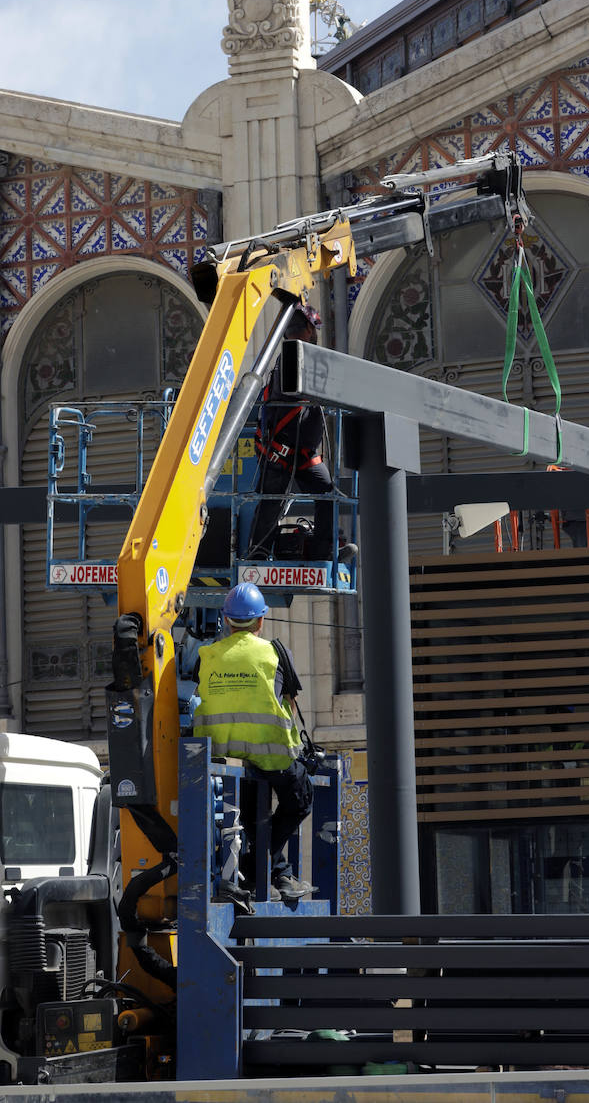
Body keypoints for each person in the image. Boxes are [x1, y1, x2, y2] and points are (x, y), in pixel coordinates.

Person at [192, 582, 314, 900]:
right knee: (301, 799)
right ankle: (263, 866)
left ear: (226, 619)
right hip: (271, 755)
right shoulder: (273, 654)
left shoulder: (207, 656)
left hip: (224, 760)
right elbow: (289, 703)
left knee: (251, 816)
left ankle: (278, 875)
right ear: (261, 620)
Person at [246, 303, 356, 562]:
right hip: (280, 452)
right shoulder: (292, 358)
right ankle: (258, 555)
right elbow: (295, 392)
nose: (315, 332)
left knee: (327, 494)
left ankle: (323, 550)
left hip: (303, 454)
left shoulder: (302, 357)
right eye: (313, 327)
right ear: (308, 328)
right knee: (272, 502)